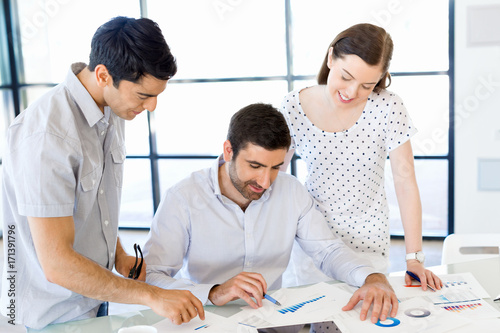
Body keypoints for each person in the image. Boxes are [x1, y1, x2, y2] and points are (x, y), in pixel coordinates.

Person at [0, 17, 204, 329]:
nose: (151, 107)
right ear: (103, 75)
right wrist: (152, 295)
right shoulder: (47, 136)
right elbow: (56, 265)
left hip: (94, 298)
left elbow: (90, 200)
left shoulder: (112, 106)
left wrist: (119, 254)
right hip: (50, 315)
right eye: (143, 96)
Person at [143, 103, 398, 333]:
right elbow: (151, 276)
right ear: (228, 150)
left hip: (275, 322)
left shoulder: (291, 191)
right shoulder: (183, 198)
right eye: (255, 166)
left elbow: (328, 251)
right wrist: (213, 292)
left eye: (275, 167)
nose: (265, 182)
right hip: (209, 322)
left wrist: (372, 277)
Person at [278, 23, 442, 300]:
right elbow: (274, 178)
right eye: (346, 77)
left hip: (368, 246)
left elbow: (405, 185)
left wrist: (414, 258)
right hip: (313, 242)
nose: (352, 92)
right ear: (331, 58)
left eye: (366, 85)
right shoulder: (293, 106)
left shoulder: (388, 107)